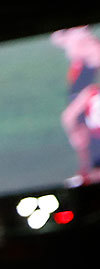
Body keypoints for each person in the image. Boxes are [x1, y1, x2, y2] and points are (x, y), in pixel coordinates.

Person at [51, 27, 100, 186]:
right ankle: (88, 173)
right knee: (81, 139)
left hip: (88, 101)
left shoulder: (90, 51)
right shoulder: (79, 53)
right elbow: (57, 38)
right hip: (83, 104)